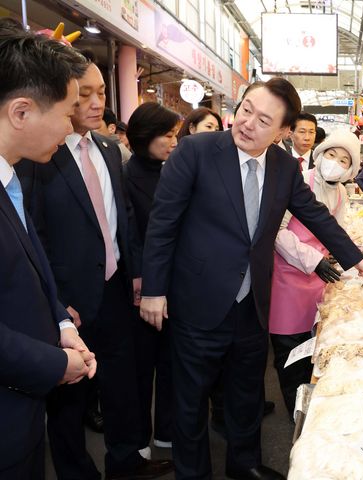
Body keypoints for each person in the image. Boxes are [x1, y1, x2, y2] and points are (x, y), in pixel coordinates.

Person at [139, 77, 363, 480]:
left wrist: (355, 259)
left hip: (252, 301)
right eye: (246, 109)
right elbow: (163, 223)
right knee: (191, 399)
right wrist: (153, 290)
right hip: (198, 297)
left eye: (263, 119)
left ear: (282, 132)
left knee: (247, 392)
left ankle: (245, 463)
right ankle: (192, 473)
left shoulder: (285, 167)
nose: (247, 122)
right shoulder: (197, 151)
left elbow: (315, 215)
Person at [17, 59, 174, 479]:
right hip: (69, 303)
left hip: (115, 292)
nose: (94, 102)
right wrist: (56, 302)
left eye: (101, 92)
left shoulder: (108, 149)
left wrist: (138, 273)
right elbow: (34, 233)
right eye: (83, 93)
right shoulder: (36, 155)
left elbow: (123, 217)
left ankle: (125, 464)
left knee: (123, 388)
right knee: (69, 400)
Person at [0, 21, 97, 479]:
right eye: (66, 110)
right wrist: (55, 364)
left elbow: (28, 270)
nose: (72, 122)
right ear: (21, 112)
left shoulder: (11, 177)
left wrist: (59, 322)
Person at [268, 129, 362, 418]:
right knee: (289, 354)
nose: (335, 162)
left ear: (350, 169)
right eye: (331, 154)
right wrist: (313, 260)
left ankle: (310, 411)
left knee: (313, 350)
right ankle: (296, 416)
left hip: (318, 281)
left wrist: (349, 258)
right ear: (320, 154)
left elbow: (337, 232)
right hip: (287, 277)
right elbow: (277, 232)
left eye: (344, 160)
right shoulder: (300, 182)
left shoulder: (341, 192)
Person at [124, 102, 180, 451]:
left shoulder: (171, 170)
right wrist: (140, 277)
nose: (175, 142)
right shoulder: (125, 176)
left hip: (176, 281)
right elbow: (128, 233)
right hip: (142, 284)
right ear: (146, 136)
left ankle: (167, 432)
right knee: (141, 367)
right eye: (168, 135)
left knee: (172, 362)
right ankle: (139, 437)